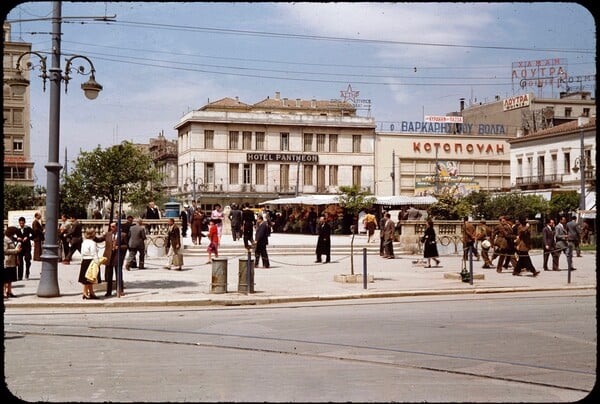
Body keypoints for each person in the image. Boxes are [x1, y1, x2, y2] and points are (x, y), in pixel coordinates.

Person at [101, 222, 128, 297]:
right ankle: (108, 291)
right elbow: (100, 239)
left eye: (113, 226)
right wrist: (92, 237)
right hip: (109, 257)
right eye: (110, 227)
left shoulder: (123, 235)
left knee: (118, 274)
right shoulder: (108, 234)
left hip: (117, 257)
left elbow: (126, 246)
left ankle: (120, 290)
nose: (111, 228)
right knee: (109, 276)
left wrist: (119, 247)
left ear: (117, 227)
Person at [79, 229, 100, 299]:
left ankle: (91, 292)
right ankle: (85, 292)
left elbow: (81, 253)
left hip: (84, 260)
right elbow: (94, 253)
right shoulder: (92, 243)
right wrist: (97, 262)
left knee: (87, 278)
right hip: (91, 260)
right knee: (89, 278)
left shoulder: (84, 242)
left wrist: (81, 260)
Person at [4, 226, 21, 299]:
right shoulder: (5, 239)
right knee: (5, 278)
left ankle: (9, 291)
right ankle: (4, 292)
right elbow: (5, 250)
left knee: (10, 278)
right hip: (7, 261)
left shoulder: (11, 238)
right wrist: (16, 250)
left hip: (12, 261)